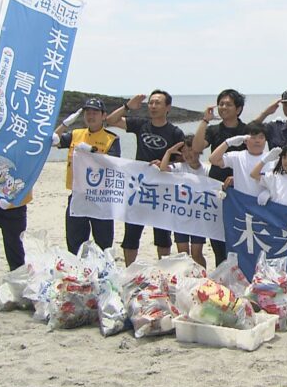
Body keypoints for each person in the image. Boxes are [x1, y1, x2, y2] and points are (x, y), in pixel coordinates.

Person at [106, 89, 186, 266]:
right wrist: (128, 106)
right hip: (138, 188)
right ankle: (129, 272)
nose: (153, 106)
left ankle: (163, 272)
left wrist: (166, 165)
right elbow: (110, 121)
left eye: (158, 102)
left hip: (162, 190)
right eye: (151, 102)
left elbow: (181, 163)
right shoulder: (141, 125)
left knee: (162, 236)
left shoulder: (175, 132)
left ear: (168, 107)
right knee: (131, 233)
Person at [54, 98, 121, 255]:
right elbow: (53, 141)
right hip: (78, 196)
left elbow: (113, 163)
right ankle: (78, 272)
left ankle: (103, 274)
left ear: (104, 116)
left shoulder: (112, 139)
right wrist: (65, 124)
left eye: (95, 113)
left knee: (103, 243)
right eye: (87, 113)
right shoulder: (76, 134)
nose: (91, 116)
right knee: (75, 241)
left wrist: (91, 151)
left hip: (101, 197)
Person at [192, 88, 249, 266]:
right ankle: (221, 276)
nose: (223, 107)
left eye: (228, 104)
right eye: (221, 104)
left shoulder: (247, 131)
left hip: (240, 190)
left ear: (238, 109)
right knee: (217, 237)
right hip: (216, 188)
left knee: (238, 236)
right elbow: (196, 147)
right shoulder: (214, 130)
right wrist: (204, 121)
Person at [158, 135, 210, 268]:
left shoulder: (206, 169)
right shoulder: (180, 167)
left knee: (197, 253)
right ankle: (187, 278)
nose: (187, 154)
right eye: (184, 151)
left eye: (190, 150)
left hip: (199, 218)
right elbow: (163, 169)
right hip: (181, 217)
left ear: (198, 150)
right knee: (183, 253)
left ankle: (202, 278)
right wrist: (169, 152)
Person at [209, 121, 268, 199]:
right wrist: (228, 142)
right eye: (253, 137)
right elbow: (213, 160)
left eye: (261, 137)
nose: (257, 141)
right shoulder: (237, 156)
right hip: (240, 204)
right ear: (245, 140)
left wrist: (268, 192)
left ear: (265, 140)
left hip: (262, 205)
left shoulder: (271, 158)